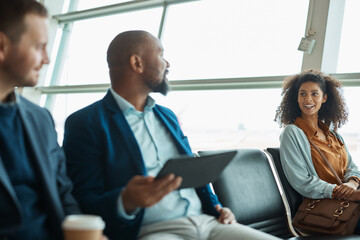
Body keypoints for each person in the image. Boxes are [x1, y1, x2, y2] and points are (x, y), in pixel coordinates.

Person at [63, 30, 281, 240]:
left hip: (208, 223)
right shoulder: (85, 123)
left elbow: (192, 172)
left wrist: (216, 206)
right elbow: (83, 201)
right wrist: (125, 200)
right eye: (161, 54)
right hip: (154, 231)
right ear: (137, 63)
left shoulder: (167, 117)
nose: (167, 64)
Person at [0, 0, 82, 239]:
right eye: (39, 47)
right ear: (2, 46)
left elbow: (63, 193)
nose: (46, 59)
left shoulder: (40, 118)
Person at [275, 70, 360, 219]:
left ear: (324, 98)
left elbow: (352, 167)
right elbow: (302, 181)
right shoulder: (292, 133)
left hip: (349, 202)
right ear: (296, 98)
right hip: (327, 209)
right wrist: (338, 191)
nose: (308, 99)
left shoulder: (334, 135)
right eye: (302, 94)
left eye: (314, 94)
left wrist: (352, 184)